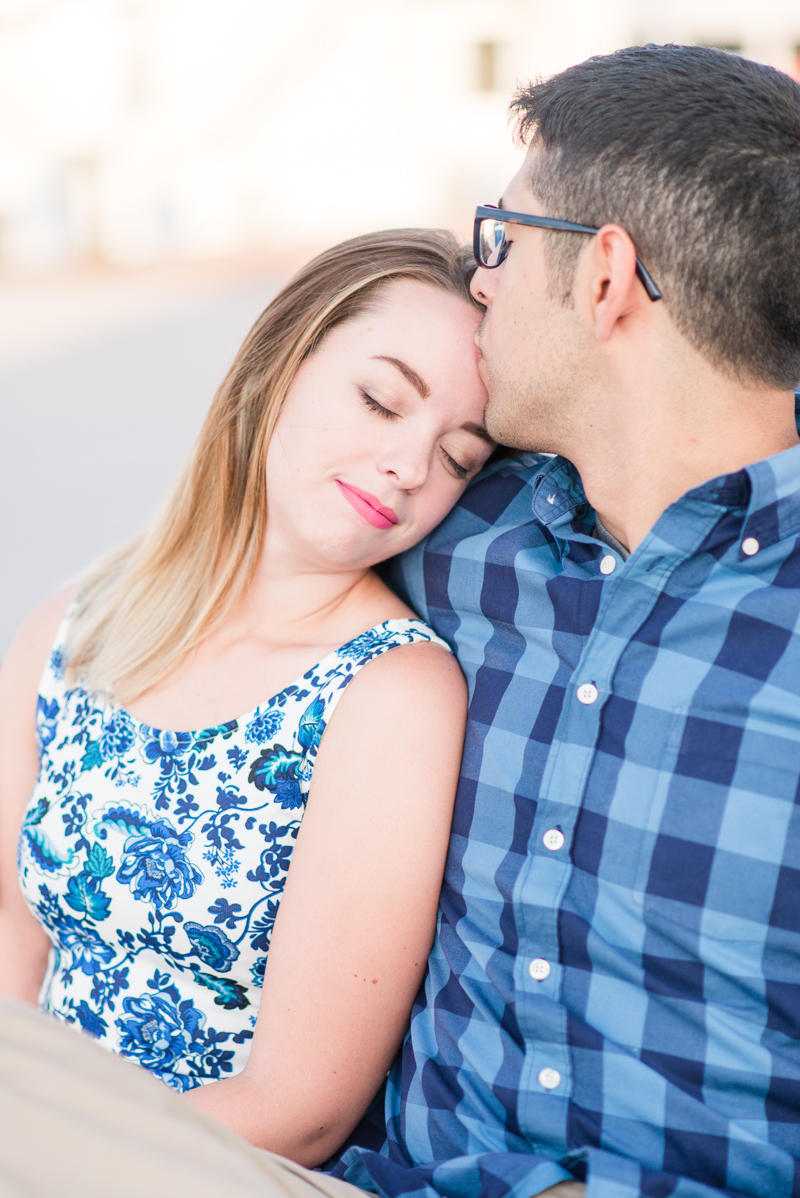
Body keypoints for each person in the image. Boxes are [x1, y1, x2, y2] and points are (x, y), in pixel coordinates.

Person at [1, 40, 800, 1198]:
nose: (482, 279)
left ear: (603, 278)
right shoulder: (480, 538)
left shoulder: (409, 647)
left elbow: (297, 1098)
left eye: (502, 242)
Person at [0, 229, 497, 1164]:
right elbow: (11, 939)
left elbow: (298, 1103)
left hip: (201, 1168)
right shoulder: (79, 622)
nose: (408, 467)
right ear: (280, 361)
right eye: (380, 400)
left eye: (459, 456)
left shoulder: (387, 693)